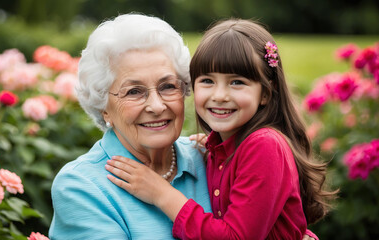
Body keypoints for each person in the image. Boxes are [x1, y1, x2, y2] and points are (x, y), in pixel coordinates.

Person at [105, 18, 336, 239]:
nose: (220, 95)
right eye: (207, 81)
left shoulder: (265, 145)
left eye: (237, 82)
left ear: (265, 92)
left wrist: (162, 194)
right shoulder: (225, 147)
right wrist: (216, 150)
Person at [48, 13, 211, 239]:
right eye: (134, 91)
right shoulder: (80, 186)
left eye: (167, 86)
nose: (156, 106)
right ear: (103, 106)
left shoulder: (209, 159)